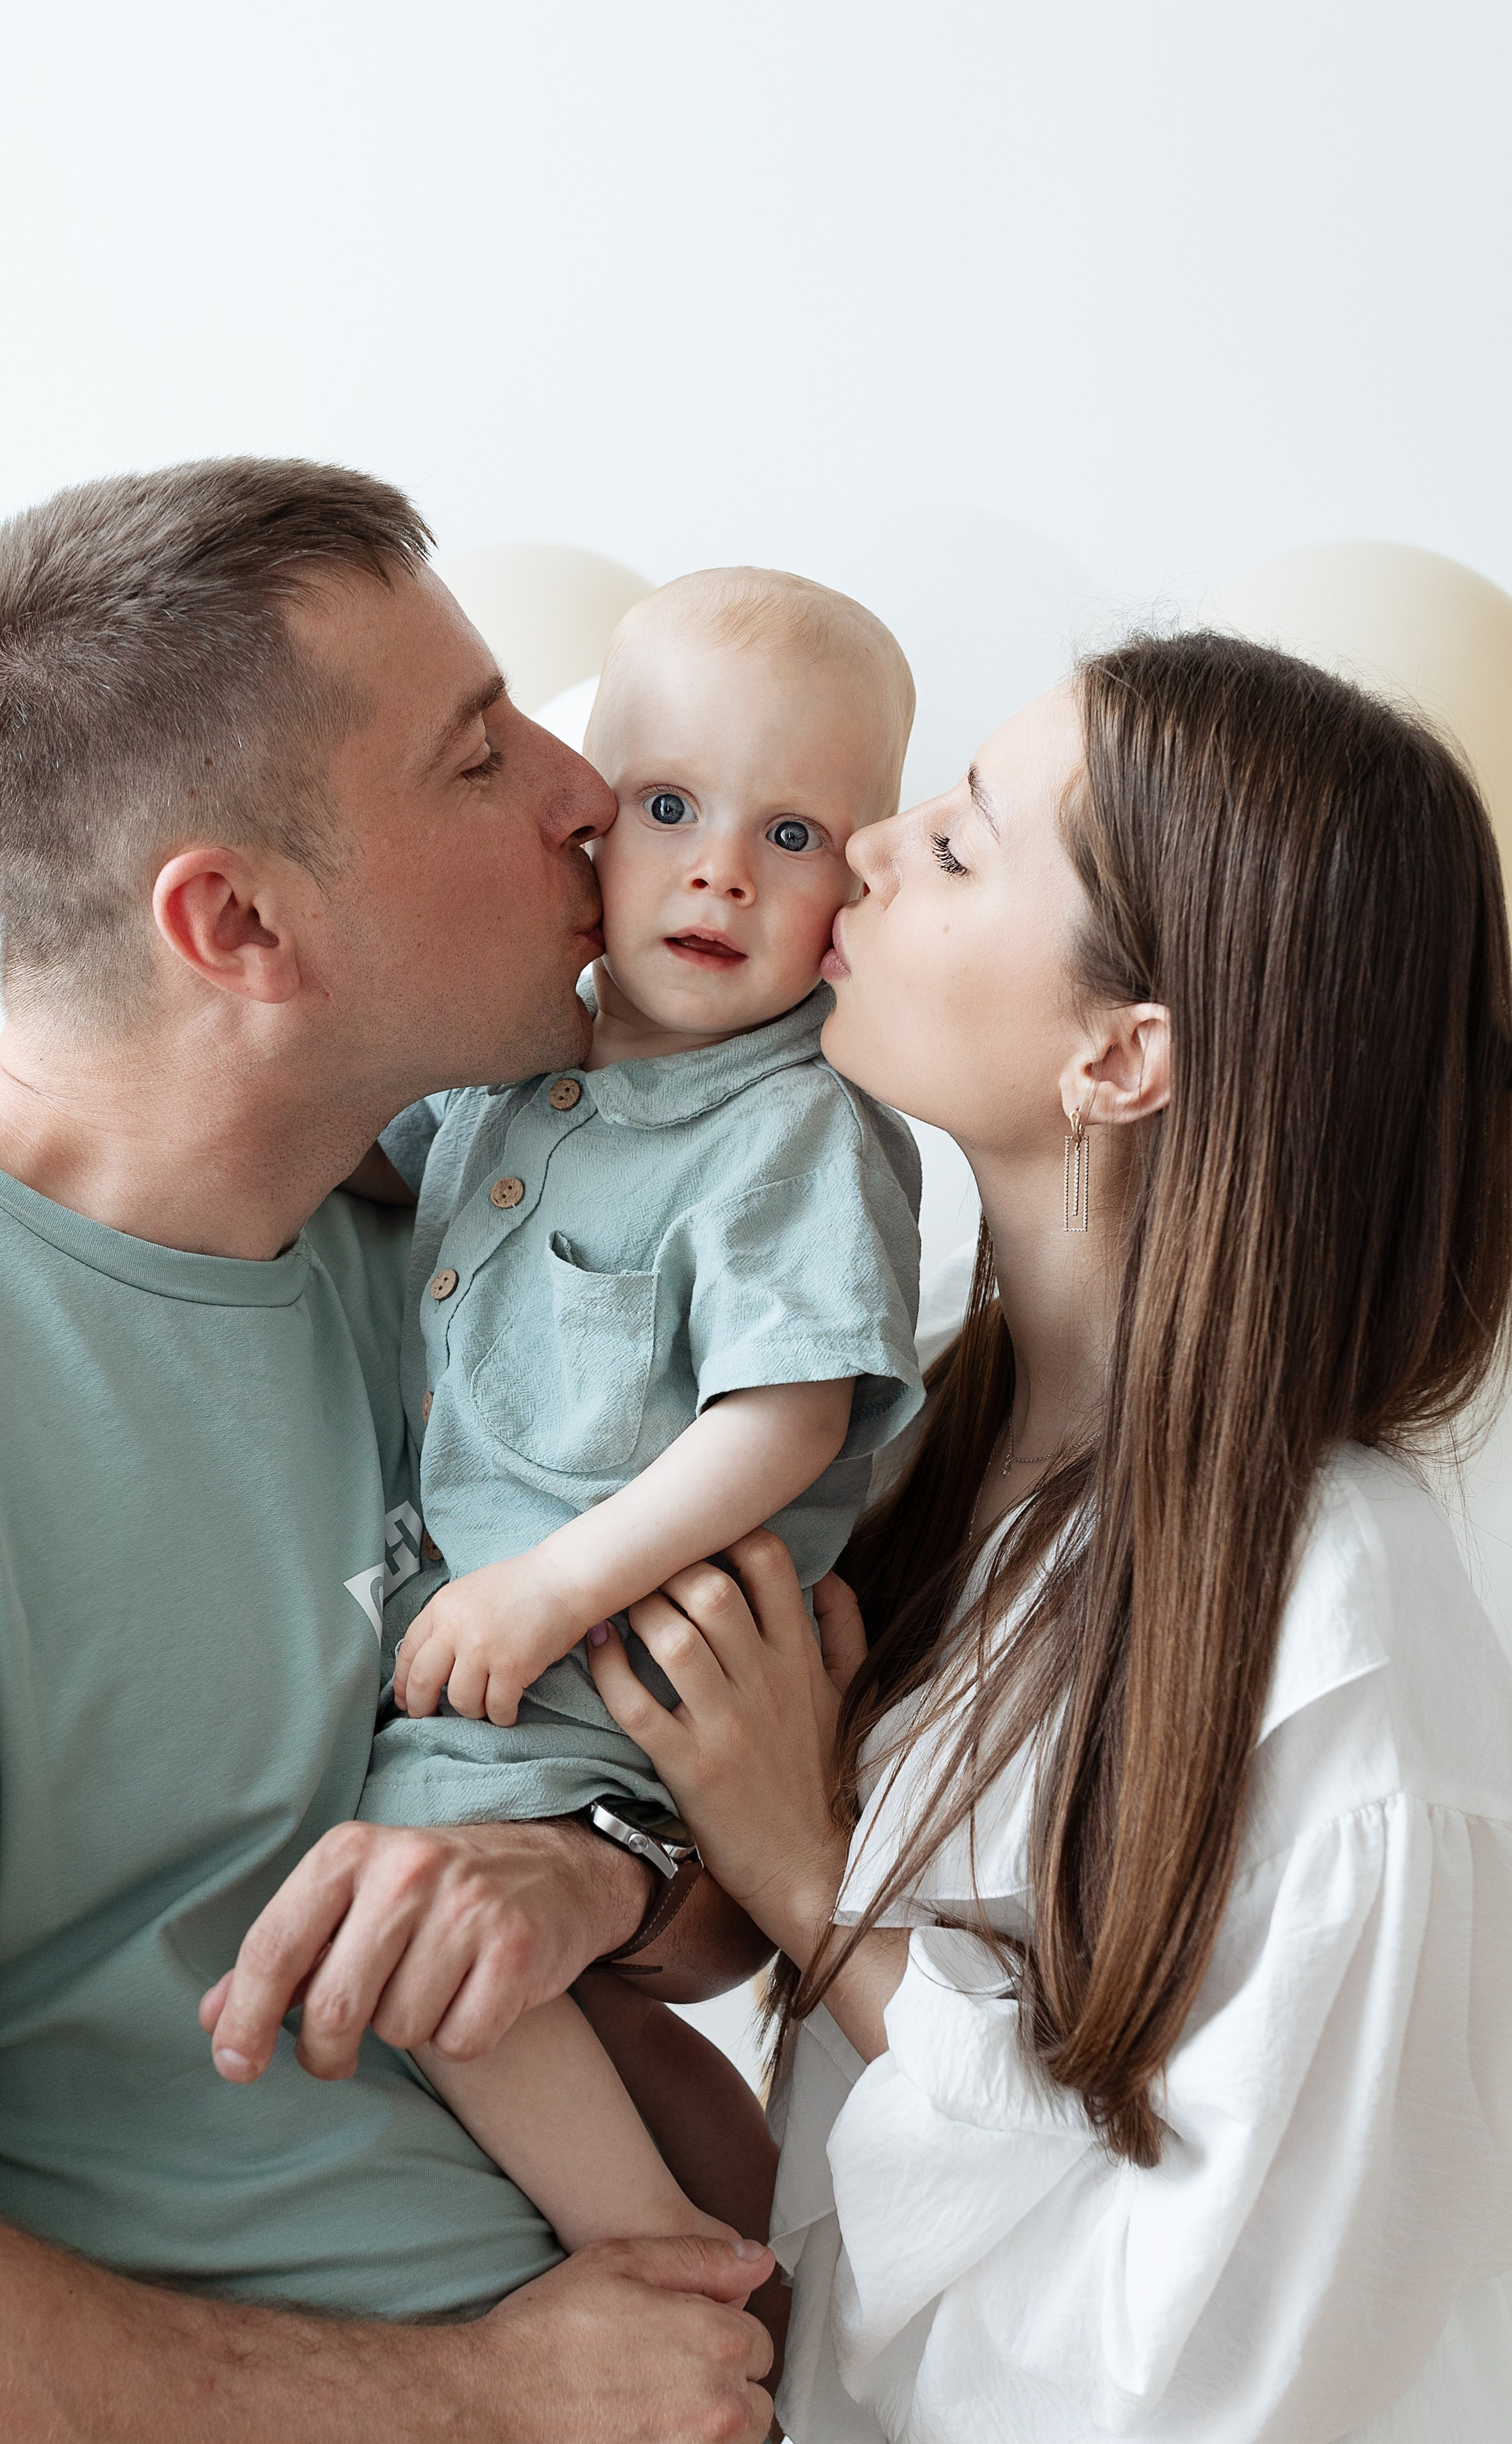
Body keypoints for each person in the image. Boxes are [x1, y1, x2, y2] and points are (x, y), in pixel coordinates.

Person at [0, 458, 776, 2444]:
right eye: (478, 758)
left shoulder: (484, 1237)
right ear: (242, 922)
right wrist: (482, 2404)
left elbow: (744, 1848)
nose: (583, 793)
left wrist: (583, 1871)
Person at [578, 634, 1512, 2444]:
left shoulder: (1339, 1622)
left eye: (956, 846)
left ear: (1122, 1051)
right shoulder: (907, 1421)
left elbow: (1217, 2380)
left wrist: (808, 1877)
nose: (858, 848)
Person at [349, 568, 924, 2259]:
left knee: (421, 1921)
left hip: (616, 1669)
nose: (721, 870)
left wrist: (551, 1586)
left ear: (861, 888)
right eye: (668, 805)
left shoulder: (799, 1127)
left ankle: (645, 2266)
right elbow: (360, 1162)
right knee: (561, 2005)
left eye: (797, 834)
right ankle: (735, 2227)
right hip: (478, 1660)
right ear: (586, 822)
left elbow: (785, 1425)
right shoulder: (524, 1059)